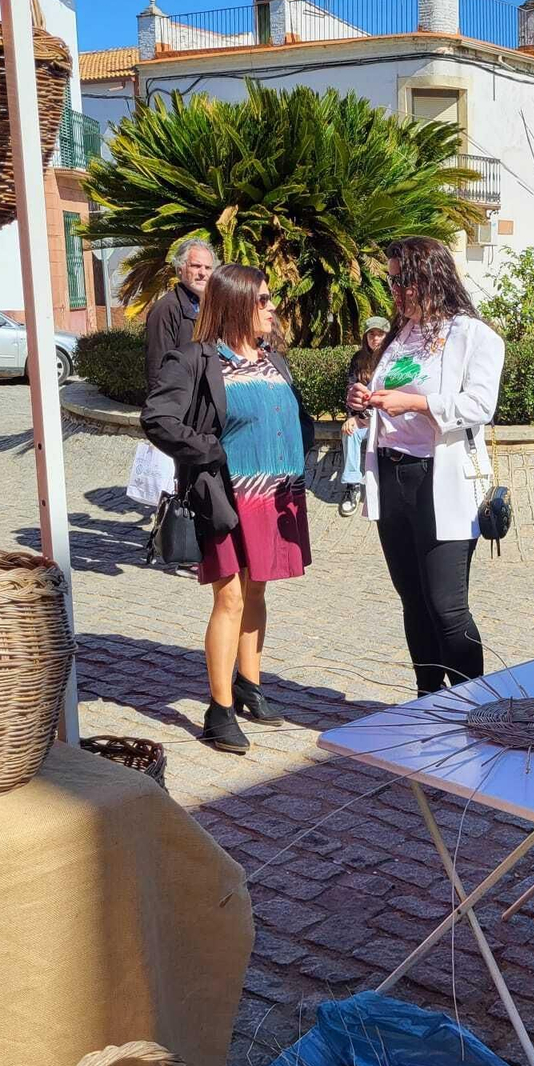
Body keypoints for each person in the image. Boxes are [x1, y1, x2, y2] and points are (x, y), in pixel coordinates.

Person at [142, 264, 313, 754]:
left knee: (258, 591)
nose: (272, 307)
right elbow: (157, 418)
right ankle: (217, 710)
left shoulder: (271, 359)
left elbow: (288, 416)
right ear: (237, 303)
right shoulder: (197, 358)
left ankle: (249, 687)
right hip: (226, 498)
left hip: (275, 496)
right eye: (262, 300)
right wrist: (210, 451)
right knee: (230, 599)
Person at [346, 237, 504, 695]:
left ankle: (475, 703)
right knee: (412, 601)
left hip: (441, 479)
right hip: (393, 479)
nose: (395, 291)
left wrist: (414, 403)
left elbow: (479, 404)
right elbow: (386, 394)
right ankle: (428, 701)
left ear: (431, 277)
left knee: (446, 607)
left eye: (404, 281)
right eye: (392, 280)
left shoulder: (473, 335)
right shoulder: (400, 336)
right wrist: (365, 400)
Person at [143, 236, 216, 395]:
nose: (203, 273)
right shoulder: (166, 308)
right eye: (196, 266)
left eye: (208, 267)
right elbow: (157, 366)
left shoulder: (210, 307)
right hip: (180, 404)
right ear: (181, 269)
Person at [338, 315, 390, 517]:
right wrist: (351, 416)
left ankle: (385, 488)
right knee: (350, 433)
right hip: (364, 419)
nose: (375, 339)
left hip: (387, 419)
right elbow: (351, 390)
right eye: (371, 334)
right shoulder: (358, 360)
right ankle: (352, 485)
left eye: (380, 334)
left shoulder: (393, 358)